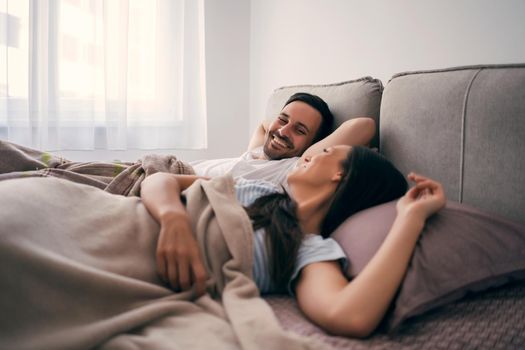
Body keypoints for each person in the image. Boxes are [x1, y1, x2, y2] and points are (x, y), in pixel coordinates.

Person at [141, 145, 446, 337]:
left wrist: (411, 218)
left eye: (326, 152)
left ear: (340, 174)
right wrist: (173, 219)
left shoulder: (309, 249)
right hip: (133, 221)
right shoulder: (256, 189)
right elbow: (158, 180)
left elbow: (350, 315)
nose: (310, 154)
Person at [189, 92, 375, 189]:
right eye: (283, 119)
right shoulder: (259, 150)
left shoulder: (294, 167)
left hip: (187, 185)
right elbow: (263, 126)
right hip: (177, 169)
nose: (284, 131)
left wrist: (310, 149)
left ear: (313, 145)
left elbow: (365, 126)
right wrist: (279, 129)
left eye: (300, 130)